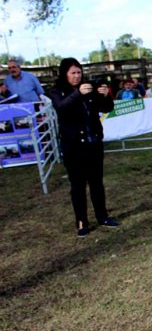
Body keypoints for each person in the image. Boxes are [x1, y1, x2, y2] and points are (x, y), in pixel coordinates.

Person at [48, 58, 119, 237]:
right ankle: (81, 222)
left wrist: (105, 95)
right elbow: (61, 108)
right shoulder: (57, 91)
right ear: (65, 74)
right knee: (78, 185)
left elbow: (107, 108)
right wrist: (78, 94)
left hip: (93, 142)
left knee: (97, 182)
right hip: (73, 146)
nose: (77, 76)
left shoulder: (88, 88)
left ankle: (102, 216)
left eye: (79, 72)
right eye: (73, 73)